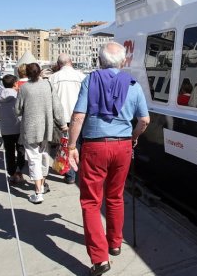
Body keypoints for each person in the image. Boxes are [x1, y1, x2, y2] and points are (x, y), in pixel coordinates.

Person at [67, 41, 149, 276]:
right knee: (115, 197)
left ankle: (100, 259)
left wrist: (71, 145)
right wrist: (133, 138)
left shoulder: (90, 80)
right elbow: (144, 121)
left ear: (100, 61)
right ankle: (114, 243)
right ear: (123, 61)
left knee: (91, 202)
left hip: (94, 147)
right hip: (122, 146)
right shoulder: (133, 85)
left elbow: (78, 116)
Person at [15, 63, 67, 204]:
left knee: (33, 159)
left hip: (30, 128)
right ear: (39, 72)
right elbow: (57, 106)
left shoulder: (24, 88)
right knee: (44, 156)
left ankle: (38, 192)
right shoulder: (48, 85)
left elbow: (17, 109)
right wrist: (62, 123)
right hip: (46, 127)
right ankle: (42, 185)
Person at [49, 53, 86, 184]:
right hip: (79, 115)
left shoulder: (52, 78)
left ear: (59, 64)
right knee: (77, 145)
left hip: (61, 117)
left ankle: (70, 174)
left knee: (65, 145)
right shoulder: (82, 77)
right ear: (71, 62)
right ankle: (76, 171)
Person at [0, 74, 25, 184]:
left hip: (5, 128)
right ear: (14, 83)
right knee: (21, 150)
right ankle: (19, 171)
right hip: (18, 127)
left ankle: (12, 173)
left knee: (9, 152)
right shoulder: (17, 95)